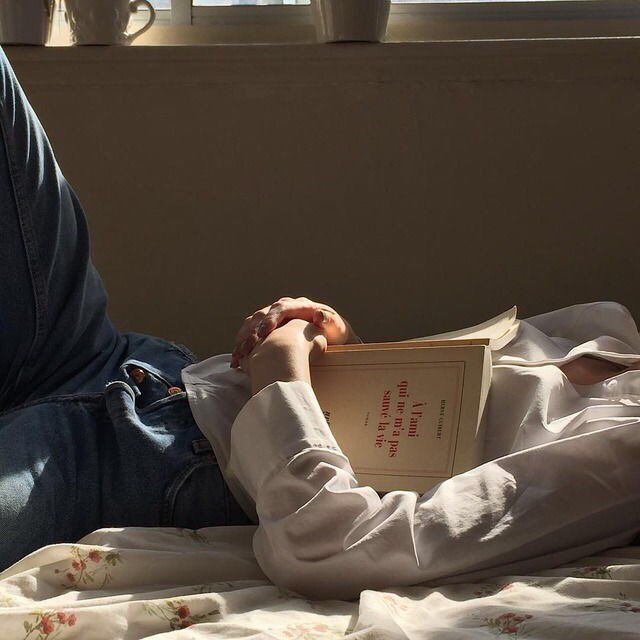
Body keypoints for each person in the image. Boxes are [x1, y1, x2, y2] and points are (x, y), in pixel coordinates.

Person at [1, 46, 639, 601]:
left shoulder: (623, 462)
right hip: (128, 364)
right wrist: (341, 345)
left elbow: (339, 544)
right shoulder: (615, 336)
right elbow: (422, 437)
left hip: (128, 469)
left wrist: (281, 379)